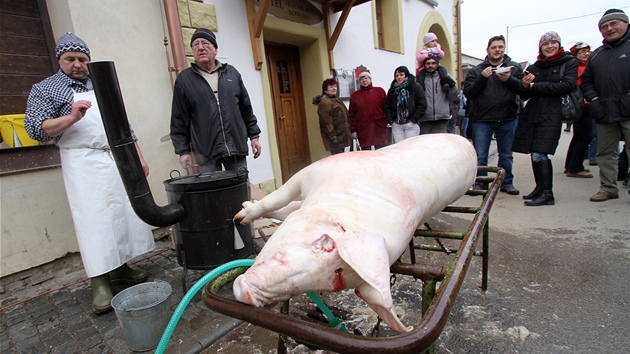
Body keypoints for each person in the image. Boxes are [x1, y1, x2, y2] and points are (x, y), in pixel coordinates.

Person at [24, 33, 154, 313]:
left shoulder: (101, 84)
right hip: (82, 162)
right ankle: (99, 281)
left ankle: (121, 268)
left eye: (82, 59)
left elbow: (124, 125)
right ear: (60, 59)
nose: (78, 65)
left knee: (120, 215)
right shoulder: (46, 89)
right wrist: (71, 117)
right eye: (70, 59)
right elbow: (36, 129)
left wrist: (138, 158)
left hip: (114, 158)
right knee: (94, 221)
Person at [170, 28, 262, 173]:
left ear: (215, 49)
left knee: (241, 190)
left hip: (235, 147)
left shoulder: (232, 73)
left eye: (205, 43)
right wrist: (183, 151)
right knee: (213, 193)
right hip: (206, 153)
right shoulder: (184, 80)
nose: (200, 47)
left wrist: (254, 136)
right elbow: (179, 119)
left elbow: (246, 109)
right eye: (195, 45)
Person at [514, 31, 579, 206]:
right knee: (535, 152)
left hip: (552, 113)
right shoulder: (535, 67)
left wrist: (535, 86)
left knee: (540, 152)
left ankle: (547, 193)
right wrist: (526, 85)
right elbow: (524, 94)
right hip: (534, 113)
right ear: (540, 47)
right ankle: (540, 188)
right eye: (545, 44)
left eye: (553, 43)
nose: (549, 46)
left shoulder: (569, 62)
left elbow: (567, 85)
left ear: (559, 44)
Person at [463, 35, 523, 195]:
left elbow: (523, 91)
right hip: (482, 119)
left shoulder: (514, 68)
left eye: (500, 47)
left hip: (507, 117)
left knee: (506, 155)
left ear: (504, 49)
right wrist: (482, 78)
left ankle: (506, 183)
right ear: (488, 50)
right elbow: (468, 92)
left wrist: (509, 80)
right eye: (494, 47)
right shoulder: (477, 70)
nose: (497, 50)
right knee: (481, 155)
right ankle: (480, 184)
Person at [581, 9, 630, 201]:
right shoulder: (597, 55)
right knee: (605, 153)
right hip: (604, 111)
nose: (609, 29)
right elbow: (586, 81)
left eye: (613, 24)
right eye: (604, 26)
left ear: (625, 23)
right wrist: (593, 99)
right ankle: (608, 187)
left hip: (628, 109)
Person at [563, 41, 594, 178]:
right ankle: (575, 167)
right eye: (582, 52)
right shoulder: (578, 69)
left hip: (582, 106)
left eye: (587, 51)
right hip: (582, 107)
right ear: (576, 54)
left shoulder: (585, 66)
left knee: (578, 136)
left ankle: (571, 164)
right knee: (585, 136)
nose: (585, 54)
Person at [416, 54, 459, 134]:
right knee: (426, 144)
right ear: (424, 65)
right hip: (425, 118)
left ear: (437, 64)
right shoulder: (420, 79)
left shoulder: (445, 77)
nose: (430, 65)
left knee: (441, 144)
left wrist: (452, 86)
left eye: (433, 63)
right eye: (428, 63)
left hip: (441, 117)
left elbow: (453, 98)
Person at [384, 66, 427, 143]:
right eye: (397, 76)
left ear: (406, 75)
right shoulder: (392, 89)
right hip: (397, 125)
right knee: (399, 148)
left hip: (411, 124)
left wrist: (414, 120)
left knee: (410, 148)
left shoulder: (415, 86)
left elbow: (422, 104)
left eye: (401, 75)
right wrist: (391, 121)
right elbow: (387, 105)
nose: (399, 77)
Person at [348, 71, 388, 150]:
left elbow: (386, 108)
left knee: (382, 150)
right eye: (361, 79)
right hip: (363, 128)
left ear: (370, 79)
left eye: (366, 78)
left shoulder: (380, 91)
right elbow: (352, 114)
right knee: (366, 153)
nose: (364, 80)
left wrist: (386, 120)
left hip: (379, 126)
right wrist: (353, 130)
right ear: (359, 81)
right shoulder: (355, 96)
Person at [313, 78, 351, 154]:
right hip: (336, 137)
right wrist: (333, 137)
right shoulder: (325, 102)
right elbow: (326, 122)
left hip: (343, 135)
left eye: (335, 86)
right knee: (337, 161)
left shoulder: (337, 99)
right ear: (325, 90)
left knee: (342, 159)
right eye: (331, 86)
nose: (334, 88)